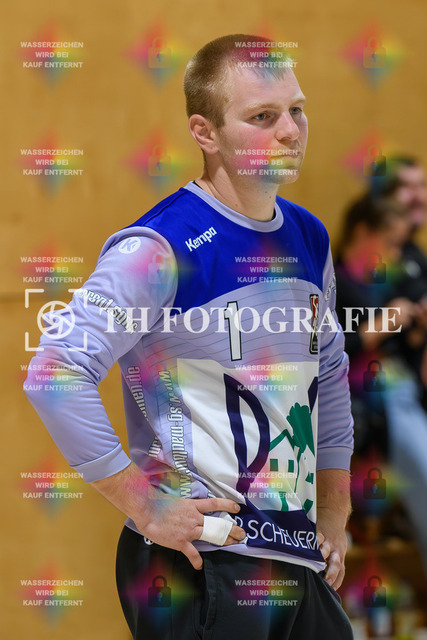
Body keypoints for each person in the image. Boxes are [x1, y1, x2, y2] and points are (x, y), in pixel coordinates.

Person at [24, 34, 354, 639]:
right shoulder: (157, 248)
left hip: (296, 555)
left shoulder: (309, 235)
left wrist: (335, 508)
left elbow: (329, 372)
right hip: (202, 559)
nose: (290, 131)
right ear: (205, 133)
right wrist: (145, 505)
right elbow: (54, 373)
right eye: (262, 117)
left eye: (296, 110)